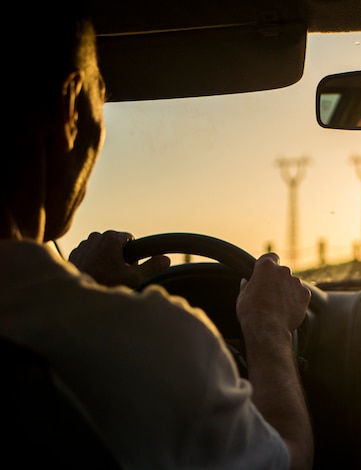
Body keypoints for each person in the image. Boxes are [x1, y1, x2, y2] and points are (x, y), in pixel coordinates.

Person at [0, 2, 313, 469]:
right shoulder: (159, 344)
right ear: (69, 108)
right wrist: (268, 329)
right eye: (100, 97)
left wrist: (80, 289)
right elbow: (291, 458)